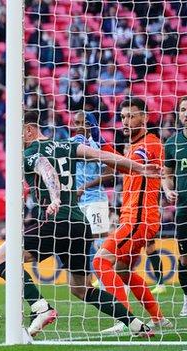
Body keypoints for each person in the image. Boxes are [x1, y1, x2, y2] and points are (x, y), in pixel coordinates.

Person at [0, 110, 157, 338]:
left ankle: (41, 308)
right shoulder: (67, 146)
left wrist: (55, 197)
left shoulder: (30, 153)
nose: (13, 140)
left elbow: (45, 168)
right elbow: (101, 156)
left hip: (56, 222)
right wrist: (138, 168)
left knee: (0, 259)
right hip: (79, 226)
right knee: (81, 288)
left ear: (29, 130)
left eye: (16, 133)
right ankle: (136, 324)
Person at [93, 98, 171, 334]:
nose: (126, 121)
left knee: (100, 261)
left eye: (132, 116)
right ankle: (159, 318)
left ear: (145, 117)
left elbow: (126, 166)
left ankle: (123, 319)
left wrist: (100, 144)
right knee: (123, 270)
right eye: (124, 116)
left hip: (139, 219)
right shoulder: (134, 146)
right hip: (136, 218)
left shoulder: (149, 144)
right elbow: (124, 165)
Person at [69, 111, 113, 286]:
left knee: (99, 239)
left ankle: (107, 283)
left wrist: (84, 187)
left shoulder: (99, 145)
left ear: (90, 124)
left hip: (95, 199)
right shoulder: (71, 144)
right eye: (75, 122)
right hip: (77, 202)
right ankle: (88, 281)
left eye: (82, 122)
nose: (78, 126)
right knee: (83, 241)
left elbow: (110, 172)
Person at [162, 96, 187, 317]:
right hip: (184, 209)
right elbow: (166, 174)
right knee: (185, 257)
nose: (186, 113)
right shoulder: (172, 144)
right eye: (182, 110)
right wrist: (168, 189)